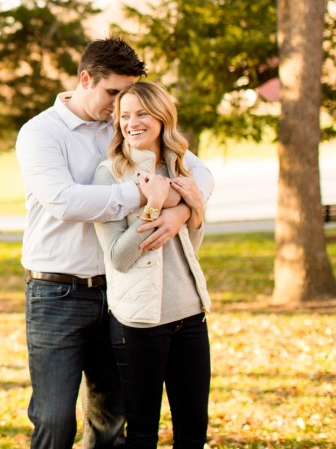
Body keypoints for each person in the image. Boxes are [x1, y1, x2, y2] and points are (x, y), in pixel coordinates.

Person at [15, 38, 213, 449]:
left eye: (125, 95)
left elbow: (199, 174)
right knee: (53, 420)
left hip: (119, 293)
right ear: (85, 79)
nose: (119, 106)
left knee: (110, 420)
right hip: (57, 292)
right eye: (112, 93)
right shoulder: (41, 133)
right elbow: (64, 201)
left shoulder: (125, 122)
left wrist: (178, 213)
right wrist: (145, 197)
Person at [92, 82, 211, 449]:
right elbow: (118, 257)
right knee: (142, 435)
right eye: (124, 116)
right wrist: (153, 207)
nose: (132, 123)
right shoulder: (109, 174)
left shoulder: (179, 165)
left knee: (192, 432)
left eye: (141, 113)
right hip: (140, 323)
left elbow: (188, 247)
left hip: (190, 315)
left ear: (162, 116)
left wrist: (194, 212)